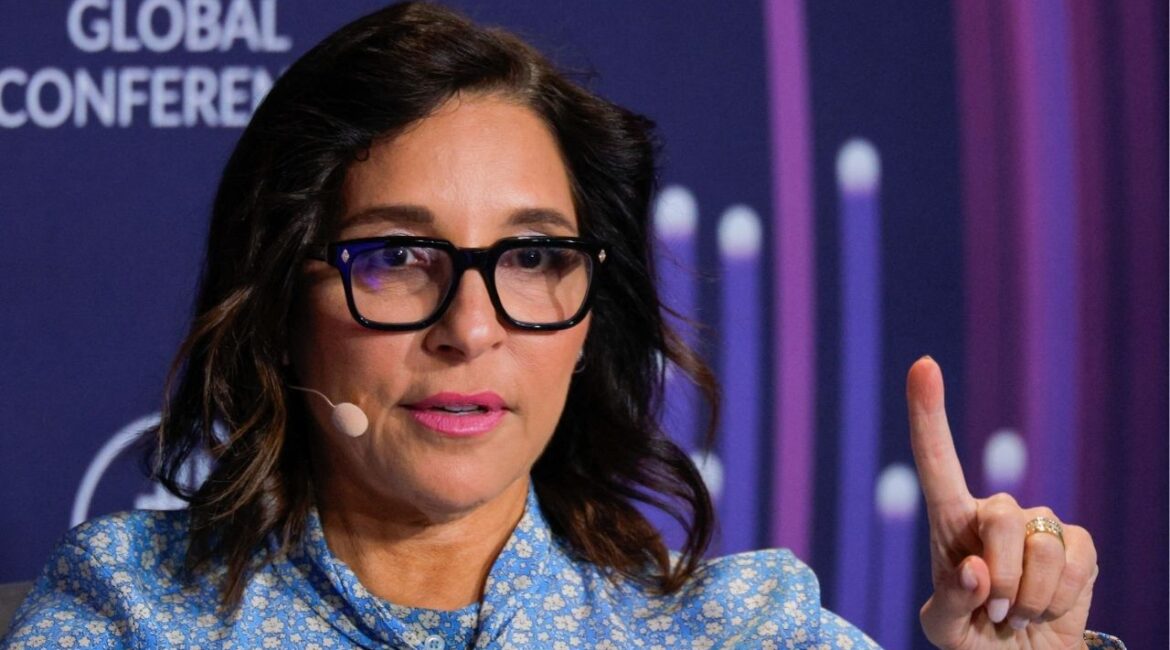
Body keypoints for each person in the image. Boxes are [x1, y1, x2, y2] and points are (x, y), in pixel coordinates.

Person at [1, 3, 1123, 648]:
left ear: (586, 320)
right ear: (286, 302)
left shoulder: (738, 630)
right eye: (398, 256)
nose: (472, 325)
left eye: (534, 258)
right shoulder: (129, 610)